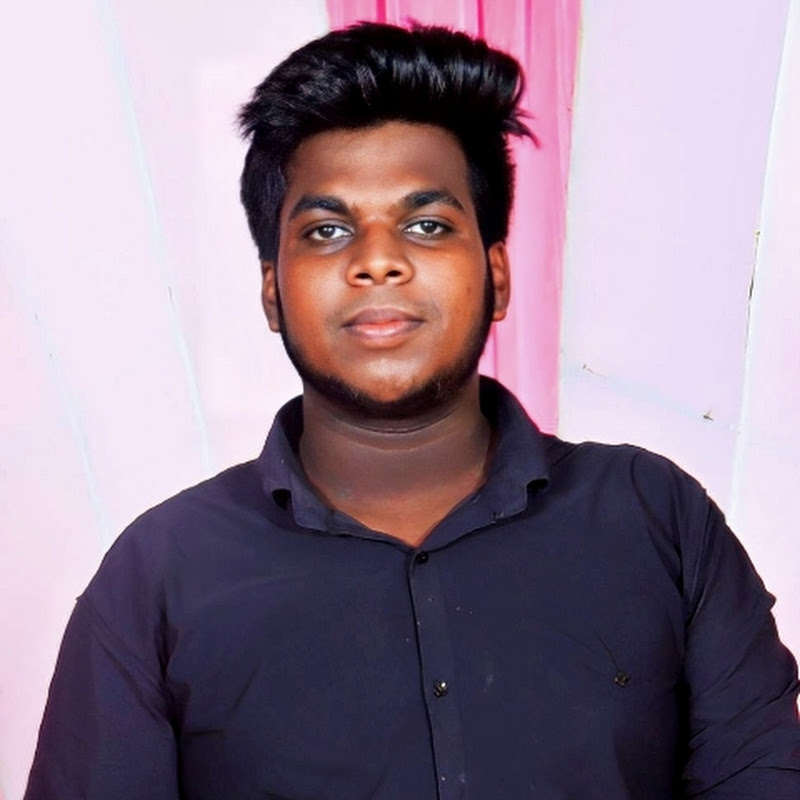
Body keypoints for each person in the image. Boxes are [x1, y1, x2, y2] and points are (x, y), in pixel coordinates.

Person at [24, 21, 799, 800]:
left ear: (497, 276)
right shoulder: (158, 576)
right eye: (328, 230)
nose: (377, 261)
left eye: (426, 225)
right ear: (272, 291)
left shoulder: (657, 520)